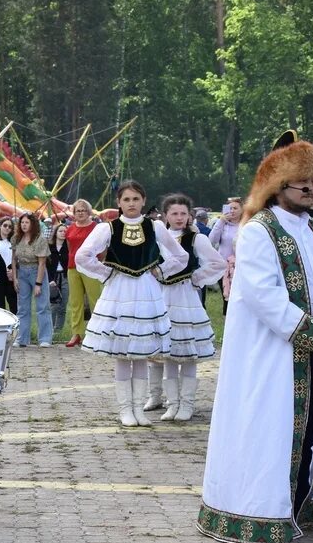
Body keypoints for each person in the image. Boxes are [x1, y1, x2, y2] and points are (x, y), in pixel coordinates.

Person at [199, 131, 313, 543]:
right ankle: (263, 511)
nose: (311, 191)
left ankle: (303, 504)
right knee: (271, 429)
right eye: (302, 184)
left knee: (310, 429)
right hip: (271, 357)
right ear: (278, 185)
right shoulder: (258, 231)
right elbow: (262, 295)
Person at [75, 180, 187, 427]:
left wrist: (161, 270)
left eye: (136, 199)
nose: (131, 203)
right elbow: (82, 255)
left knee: (141, 353)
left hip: (147, 292)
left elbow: (181, 256)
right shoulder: (108, 228)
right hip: (120, 292)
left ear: (144, 201)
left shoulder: (155, 226)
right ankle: (126, 410)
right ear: (118, 202)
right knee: (122, 354)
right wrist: (104, 273)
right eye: (126, 199)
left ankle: (139, 409)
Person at [147, 194, 226, 420]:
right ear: (165, 216)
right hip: (162, 297)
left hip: (185, 298)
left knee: (188, 354)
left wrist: (196, 278)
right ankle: (172, 403)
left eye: (183, 213)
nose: (179, 218)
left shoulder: (196, 239)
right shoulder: (158, 238)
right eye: (174, 213)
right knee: (168, 354)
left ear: (190, 215)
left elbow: (217, 263)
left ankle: (187, 404)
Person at [63, 199, 102, 348]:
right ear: (74, 213)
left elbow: (102, 247)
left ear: (89, 212)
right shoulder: (70, 228)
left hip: (90, 267)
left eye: (83, 210)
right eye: (78, 210)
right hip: (73, 267)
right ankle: (77, 333)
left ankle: (97, 332)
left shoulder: (95, 228)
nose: (80, 213)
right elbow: (69, 247)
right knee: (76, 302)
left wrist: (97, 262)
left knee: (94, 300)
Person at [11, 211, 53, 346]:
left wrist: (38, 283)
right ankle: (22, 338)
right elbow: (13, 259)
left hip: (36, 271)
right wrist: (15, 278)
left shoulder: (39, 240)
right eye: (22, 222)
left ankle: (45, 338)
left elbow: (42, 263)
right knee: (22, 307)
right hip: (22, 271)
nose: (24, 225)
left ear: (32, 224)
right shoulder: (16, 238)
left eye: (26, 222)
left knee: (42, 306)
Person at [209, 197, 242, 316]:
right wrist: (221, 221)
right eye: (230, 208)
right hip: (223, 266)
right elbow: (212, 240)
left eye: (235, 208)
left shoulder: (245, 225)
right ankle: (227, 317)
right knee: (226, 294)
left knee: (238, 295)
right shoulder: (223, 224)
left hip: (239, 265)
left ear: (242, 210)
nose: (232, 211)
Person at [46, 222, 69, 333]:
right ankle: (50, 329)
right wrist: (50, 280)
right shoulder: (49, 247)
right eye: (60, 231)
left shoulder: (68, 247)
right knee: (53, 305)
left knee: (63, 306)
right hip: (52, 278)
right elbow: (45, 264)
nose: (63, 233)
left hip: (65, 277)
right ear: (55, 233)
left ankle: (58, 330)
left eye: (65, 231)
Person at [0, 216, 17, 313]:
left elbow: (16, 259)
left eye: (10, 227)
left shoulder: (13, 242)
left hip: (11, 277)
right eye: (5, 225)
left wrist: (13, 272)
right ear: (0, 226)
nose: (7, 228)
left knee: (14, 305)